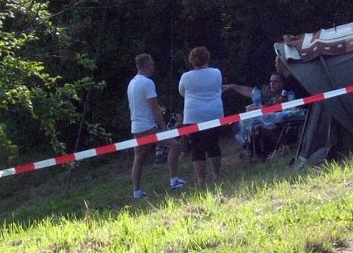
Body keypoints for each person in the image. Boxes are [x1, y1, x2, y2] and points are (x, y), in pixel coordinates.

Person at [127, 54, 187, 199]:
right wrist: (163, 128)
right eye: (152, 65)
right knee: (174, 145)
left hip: (136, 126)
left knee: (139, 158)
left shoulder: (132, 83)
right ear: (147, 66)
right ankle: (174, 181)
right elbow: (154, 107)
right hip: (148, 126)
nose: (154, 67)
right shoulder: (148, 83)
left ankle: (137, 192)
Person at [226, 72, 303, 156]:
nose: (272, 84)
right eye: (270, 82)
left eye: (275, 82)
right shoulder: (270, 95)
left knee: (263, 126)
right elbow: (253, 94)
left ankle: (280, 147)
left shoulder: (288, 94)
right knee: (244, 125)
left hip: (283, 120)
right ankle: (252, 149)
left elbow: (287, 109)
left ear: (282, 83)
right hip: (271, 120)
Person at [179, 46, 225, 187]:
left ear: (192, 61)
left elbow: (182, 92)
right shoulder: (217, 72)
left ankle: (201, 179)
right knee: (213, 144)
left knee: (197, 147)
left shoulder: (185, 77)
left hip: (193, 115)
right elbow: (219, 87)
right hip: (214, 113)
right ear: (207, 58)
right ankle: (216, 175)